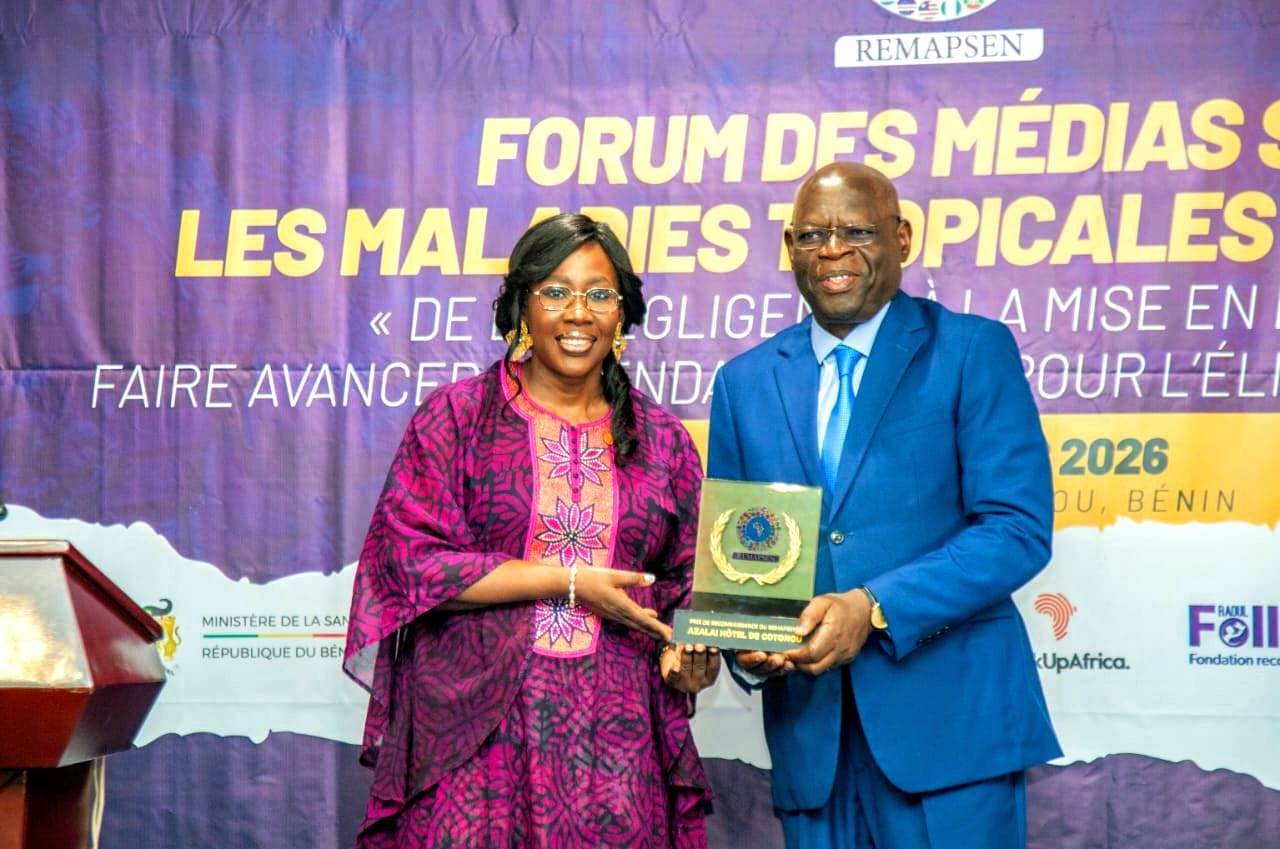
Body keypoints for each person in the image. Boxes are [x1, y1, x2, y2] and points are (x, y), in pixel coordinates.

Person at [707, 162, 1060, 849]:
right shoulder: (743, 382)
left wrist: (871, 606)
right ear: (789, 247)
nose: (833, 250)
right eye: (813, 235)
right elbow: (738, 560)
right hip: (812, 745)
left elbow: (1016, 528)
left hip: (952, 737)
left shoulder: (971, 350)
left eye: (857, 232)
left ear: (901, 237)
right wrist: (747, 644)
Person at [344, 213, 720, 848]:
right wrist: (567, 582)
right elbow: (407, 563)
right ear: (522, 304)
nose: (578, 313)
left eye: (599, 294)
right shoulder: (458, 417)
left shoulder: (663, 441)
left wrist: (690, 658)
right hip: (474, 738)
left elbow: (688, 588)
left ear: (622, 313)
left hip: (617, 744)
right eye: (556, 291)